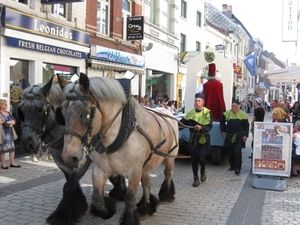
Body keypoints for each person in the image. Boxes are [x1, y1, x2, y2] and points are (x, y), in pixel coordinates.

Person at [179, 93, 213, 187]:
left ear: (203, 102)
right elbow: (183, 123)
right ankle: (195, 178)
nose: (197, 103)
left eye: (199, 101)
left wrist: (201, 127)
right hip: (193, 139)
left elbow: (209, 126)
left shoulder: (207, 112)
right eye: (196, 101)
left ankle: (203, 170)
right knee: (193, 159)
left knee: (202, 158)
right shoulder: (191, 112)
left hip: (203, 138)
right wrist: (174, 126)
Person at [220, 100, 249, 175]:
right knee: (230, 152)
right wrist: (223, 130)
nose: (234, 108)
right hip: (230, 135)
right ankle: (232, 165)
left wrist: (245, 135)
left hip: (239, 136)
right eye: (232, 106)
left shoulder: (243, 115)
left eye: (235, 106)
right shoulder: (227, 114)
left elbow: (246, 126)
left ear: (239, 106)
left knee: (238, 151)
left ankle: (237, 168)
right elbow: (222, 122)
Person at [0, 99, 21, 169]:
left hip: (10, 133)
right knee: (3, 149)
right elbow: (4, 124)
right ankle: (3, 164)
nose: (7, 106)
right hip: (3, 133)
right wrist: (10, 123)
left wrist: (11, 122)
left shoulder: (8, 113)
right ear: (1, 105)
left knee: (12, 148)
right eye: (5, 104)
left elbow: (14, 120)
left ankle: (12, 162)